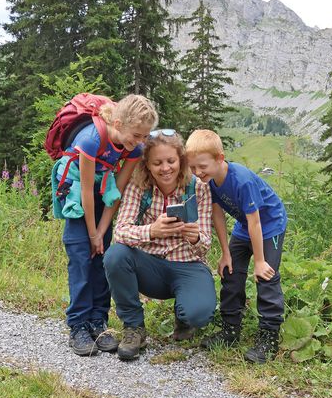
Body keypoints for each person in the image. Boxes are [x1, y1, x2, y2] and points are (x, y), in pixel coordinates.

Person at [55, 94, 158, 356]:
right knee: (80, 257)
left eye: (145, 136)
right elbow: (86, 192)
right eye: (137, 134)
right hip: (79, 196)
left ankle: (98, 322)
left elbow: (118, 191)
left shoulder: (133, 148)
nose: (140, 142)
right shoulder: (90, 139)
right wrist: (91, 232)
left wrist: (101, 231)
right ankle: (78, 325)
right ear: (119, 122)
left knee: (101, 257)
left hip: (104, 194)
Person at [103, 129, 216, 361]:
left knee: (199, 314)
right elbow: (121, 232)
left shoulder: (199, 188)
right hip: (150, 266)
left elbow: (205, 245)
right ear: (148, 165)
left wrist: (194, 236)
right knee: (115, 256)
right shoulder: (139, 187)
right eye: (157, 163)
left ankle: (184, 317)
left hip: (188, 264)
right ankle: (134, 327)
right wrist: (152, 231)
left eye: (171, 161)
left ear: (181, 161)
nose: (165, 168)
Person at [185, 129, 287, 364]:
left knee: (267, 276)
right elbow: (217, 214)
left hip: (269, 224)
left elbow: (256, 221)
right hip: (244, 225)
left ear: (220, 158)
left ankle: (269, 337)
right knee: (230, 272)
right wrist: (225, 253)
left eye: (202, 166)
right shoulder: (209, 182)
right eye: (193, 168)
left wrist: (260, 261)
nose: (198, 173)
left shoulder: (241, 180)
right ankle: (230, 330)